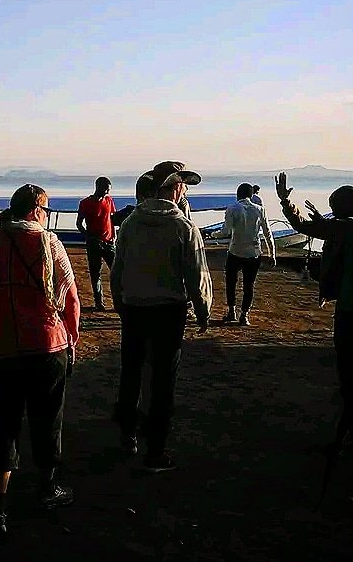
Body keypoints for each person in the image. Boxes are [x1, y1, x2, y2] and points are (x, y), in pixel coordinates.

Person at [0, 184, 80, 539]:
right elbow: (70, 298)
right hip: (46, 346)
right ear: (35, 211)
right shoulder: (50, 243)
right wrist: (71, 339)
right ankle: (47, 488)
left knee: (4, 424)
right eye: (44, 209)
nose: (45, 215)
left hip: (0, 348)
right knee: (47, 420)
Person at [110, 161, 212, 471]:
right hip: (169, 311)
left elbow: (118, 271)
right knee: (162, 380)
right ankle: (155, 451)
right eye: (181, 185)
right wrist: (204, 310)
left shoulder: (130, 224)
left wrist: (120, 304)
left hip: (134, 308)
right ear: (174, 189)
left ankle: (128, 434)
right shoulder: (184, 227)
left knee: (131, 371)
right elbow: (197, 275)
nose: (184, 190)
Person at [275, 172, 353, 391]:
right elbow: (307, 228)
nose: (334, 214)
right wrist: (286, 203)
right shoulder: (339, 225)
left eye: (336, 209)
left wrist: (329, 224)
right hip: (347, 307)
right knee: (346, 362)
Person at [220, 183, 276, 326]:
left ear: (237, 195)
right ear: (251, 196)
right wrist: (272, 253)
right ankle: (244, 315)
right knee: (249, 285)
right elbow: (268, 233)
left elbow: (225, 232)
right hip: (253, 253)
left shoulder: (232, 209)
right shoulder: (260, 210)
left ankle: (231, 311)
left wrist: (213, 234)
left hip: (235, 251)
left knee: (231, 282)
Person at [76, 176, 117, 311]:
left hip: (109, 242)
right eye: (105, 189)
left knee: (117, 272)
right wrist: (88, 236)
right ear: (98, 187)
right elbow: (79, 223)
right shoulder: (85, 203)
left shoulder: (109, 201)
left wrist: (114, 236)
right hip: (94, 243)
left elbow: (112, 219)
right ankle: (99, 302)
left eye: (109, 190)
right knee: (95, 273)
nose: (107, 192)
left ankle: (118, 301)